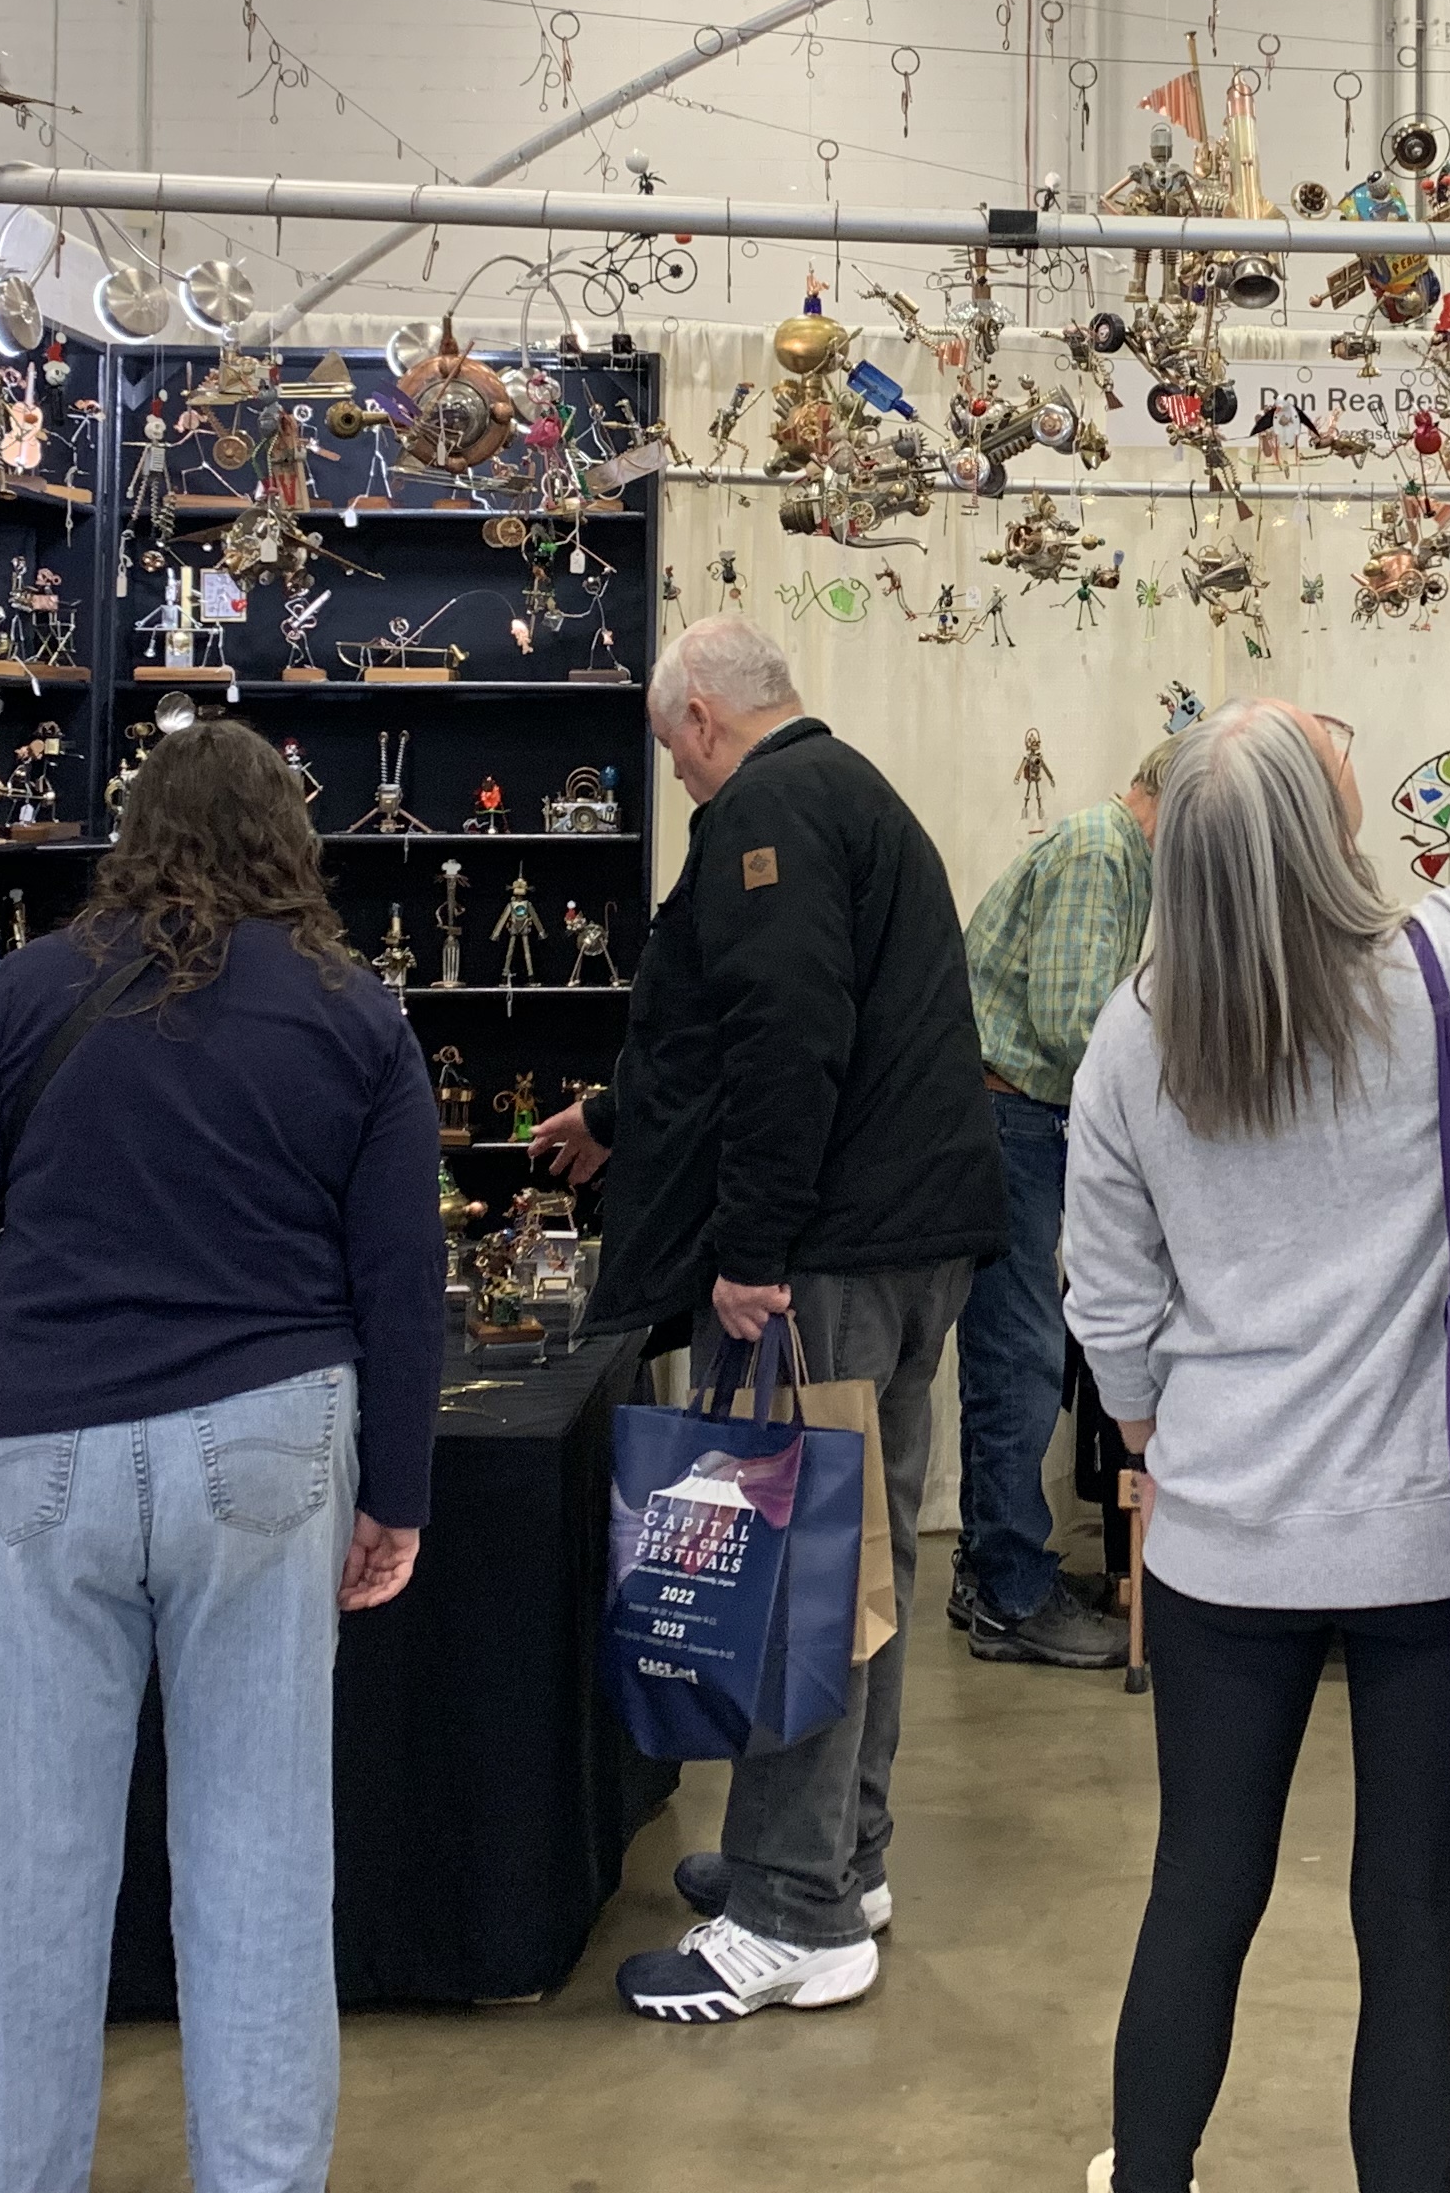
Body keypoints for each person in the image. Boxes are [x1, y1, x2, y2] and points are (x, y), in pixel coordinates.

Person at [1066, 472, 1450, 2193]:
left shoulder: (1136, 1037)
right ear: (1330, 828)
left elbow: (1105, 1292)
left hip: (1224, 1536)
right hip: (1433, 1540)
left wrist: (1153, 1433)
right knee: (1414, 1925)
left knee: (1199, 1890)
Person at [0, 718, 438, 2192]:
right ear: (289, 842)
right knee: (260, 1856)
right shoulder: (353, 1014)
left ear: (135, 839)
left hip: (37, 1450)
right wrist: (399, 1494)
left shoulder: (23, 994)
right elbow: (401, 1275)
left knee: (33, 1871)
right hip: (268, 1439)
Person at [532, 614, 1000, 2021]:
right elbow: (740, 1027)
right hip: (910, 1245)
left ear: (700, 720)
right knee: (863, 1566)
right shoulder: (848, 793)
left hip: (826, 1261)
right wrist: (615, 1115)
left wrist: (749, 1253)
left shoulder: (767, 811)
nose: (678, 777)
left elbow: (787, 1039)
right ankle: (838, 1859)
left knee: (800, 1570)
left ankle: (794, 1912)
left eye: (672, 750)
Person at [949, 739, 1181, 1670]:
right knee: (1023, 1354)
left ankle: (988, 1571)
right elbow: (1074, 1024)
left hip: (1010, 1119)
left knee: (1009, 1351)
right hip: (1010, 1119)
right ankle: (1011, 1594)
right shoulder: (1100, 851)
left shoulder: (1114, 854)